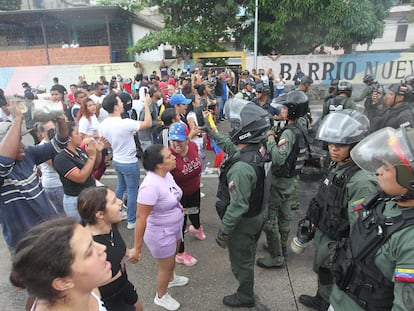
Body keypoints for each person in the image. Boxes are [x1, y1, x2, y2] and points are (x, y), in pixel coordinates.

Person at [297, 110, 376, 311]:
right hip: (325, 232)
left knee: (336, 276)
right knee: (321, 270)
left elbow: (359, 227)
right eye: (331, 143)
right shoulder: (338, 165)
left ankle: (331, 303)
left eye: (340, 145)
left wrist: (347, 253)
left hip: (338, 241)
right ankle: (322, 298)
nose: (333, 148)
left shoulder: (360, 180)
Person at [329, 126, 414, 311]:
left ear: (410, 179)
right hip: (340, 298)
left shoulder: (410, 240)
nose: (378, 171)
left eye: (387, 167)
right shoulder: (387, 201)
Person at [202, 99, 272, 308]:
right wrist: (212, 132)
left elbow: (237, 206)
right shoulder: (257, 150)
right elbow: (233, 148)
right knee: (247, 254)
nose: (234, 128)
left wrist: (224, 231)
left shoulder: (241, 169)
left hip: (244, 223)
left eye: (237, 126)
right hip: (258, 214)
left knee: (241, 262)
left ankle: (245, 296)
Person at [0, 101, 68, 251]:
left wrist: (60, 121)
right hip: (26, 245)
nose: (23, 145)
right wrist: (17, 119)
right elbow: (4, 163)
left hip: (50, 232)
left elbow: (59, 144)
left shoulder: (28, 154)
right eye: (18, 141)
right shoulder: (3, 171)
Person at [129, 144, 189, 311]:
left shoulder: (166, 175)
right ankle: (161, 296)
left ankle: (171, 278)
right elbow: (141, 218)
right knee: (165, 266)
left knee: (173, 257)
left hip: (174, 227)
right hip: (160, 233)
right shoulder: (150, 186)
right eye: (169, 157)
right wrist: (137, 248)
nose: (173, 158)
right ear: (159, 164)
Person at [257, 91, 310, 268]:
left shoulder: (289, 132)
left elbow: (279, 158)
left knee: (270, 219)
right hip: (291, 180)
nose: (283, 109)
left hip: (280, 182)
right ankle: (281, 247)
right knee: (285, 214)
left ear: (293, 110)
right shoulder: (300, 127)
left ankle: (276, 256)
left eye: (286, 107)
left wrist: (270, 139)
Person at [10, 217, 111, 311]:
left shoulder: (86, 287)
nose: (102, 247)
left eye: (92, 241)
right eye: (89, 252)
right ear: (63, 283)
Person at [78, 187, 143, 311]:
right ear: (100, 214)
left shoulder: (110, 225)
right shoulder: (86, 245)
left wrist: (128, 252)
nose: (120, 202)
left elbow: (115, 246)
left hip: (124, 284)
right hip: (107, 297)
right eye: (113, 201)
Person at [98, 93, 152, 229]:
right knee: (133, 190)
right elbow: (148, 123)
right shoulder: (125, 123)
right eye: (119, 102)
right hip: (129, 161)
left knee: (121, 186)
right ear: (115, 106)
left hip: (117, 159)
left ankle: (117, 212)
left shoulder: (103, 124)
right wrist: (146, 104)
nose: (122, 103)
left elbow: (107, 143)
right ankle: (132, 220)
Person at [168, 122, 204, 267]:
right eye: (173, 140)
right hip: (179, 199)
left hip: (194, 190)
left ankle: (195, 227)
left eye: (180, 140)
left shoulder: (194, 146)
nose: (176, 144)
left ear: (187, 139)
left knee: (195, 211)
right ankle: (180, 254)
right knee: (180, 225)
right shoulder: (168, 157)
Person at [37, 121, 65, 215]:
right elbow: (55, 164)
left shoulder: (55, 143)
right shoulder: (42, 147)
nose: (53, 132)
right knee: (63, 213)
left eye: (54, 129)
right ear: (42, 133)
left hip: (58, 182)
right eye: (50, 130)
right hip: (54, 184)